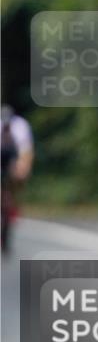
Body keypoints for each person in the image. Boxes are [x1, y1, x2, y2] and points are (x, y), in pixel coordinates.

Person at [1, 104, 34, 253]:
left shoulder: (20, 126)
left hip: (12, 158)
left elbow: (26, 150)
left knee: (17, 179)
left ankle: (12, 204)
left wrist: (23, 170)